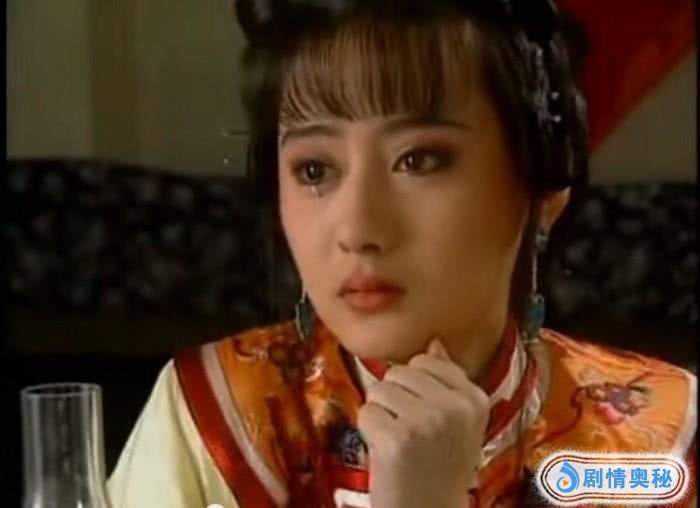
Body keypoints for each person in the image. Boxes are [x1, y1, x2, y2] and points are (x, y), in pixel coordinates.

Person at [107, 1, 696, 507]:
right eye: (314, 170)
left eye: (419, 160)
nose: (357, 228)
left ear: (540, 193)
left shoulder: (660, 440)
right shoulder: (217, 416)